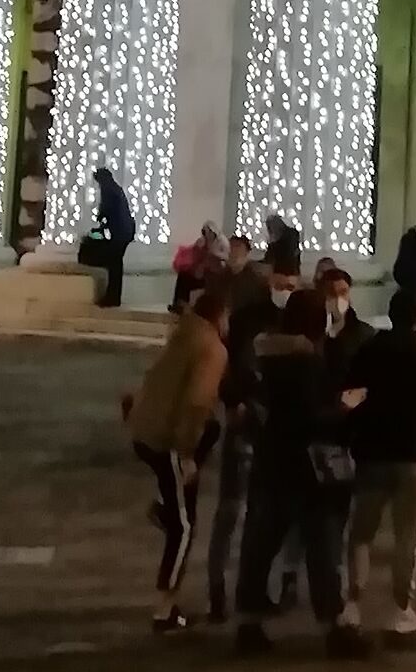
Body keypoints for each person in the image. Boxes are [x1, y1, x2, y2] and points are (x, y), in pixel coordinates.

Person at [234, 284, 366, 657]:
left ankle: (249, 620)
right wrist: (345, 407)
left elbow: (256, 406)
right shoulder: (307, 362)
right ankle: (334, 626)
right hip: (310, 471)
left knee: (260, 545)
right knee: (322, 550)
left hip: (270, 462)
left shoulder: (262, 355)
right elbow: (310, 418)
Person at [344, 288, 416, 636]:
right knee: (406, 536)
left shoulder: (370, 349)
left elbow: (352, 389)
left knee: (361, 533)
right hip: (409, 455)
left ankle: (353, 603)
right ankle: (401, 609)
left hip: (372, 452)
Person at [209, 237, 303, 625]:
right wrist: (236, 402)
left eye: (291, 286)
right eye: (281, 284)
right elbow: (228, 369)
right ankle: (219, 590)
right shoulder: (249, 319)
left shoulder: (299, 321)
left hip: (280, 433)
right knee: (233, 510)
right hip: (249, 426)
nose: (285, 291)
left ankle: (261, 590)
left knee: (268, 515)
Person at [129, 287, 229, 634]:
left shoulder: (183, 334)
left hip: (146, 431)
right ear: (221, 315)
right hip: (168, 439)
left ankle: (164, 506)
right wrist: (187, 454)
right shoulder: (212, 348)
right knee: (184, 528)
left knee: (178, 508)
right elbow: (197, 404)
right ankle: (164, 608)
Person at [79, 165, 135, 307]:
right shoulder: (115, 189)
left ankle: (112, 297)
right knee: (115, 264)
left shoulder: (108, 190)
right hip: (124, 232)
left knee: (113, 263)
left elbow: (105, 212)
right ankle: (113, 297)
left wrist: (98, 227)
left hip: (119, 233)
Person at [319, 262, 372, 378]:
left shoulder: (365, 334)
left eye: (343, 292)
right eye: (332, 293)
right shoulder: (313, 331)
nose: (338, 299)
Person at [172, 222, 225, 312]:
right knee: (183, 276)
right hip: (202, 274)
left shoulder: (220, 244)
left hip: (213, 277)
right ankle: (179, 305)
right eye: (205, 232)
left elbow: (221, 261)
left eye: (209, 232)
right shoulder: (202, 243)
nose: (207, 235)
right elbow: (195, 260)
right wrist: (198, 248)